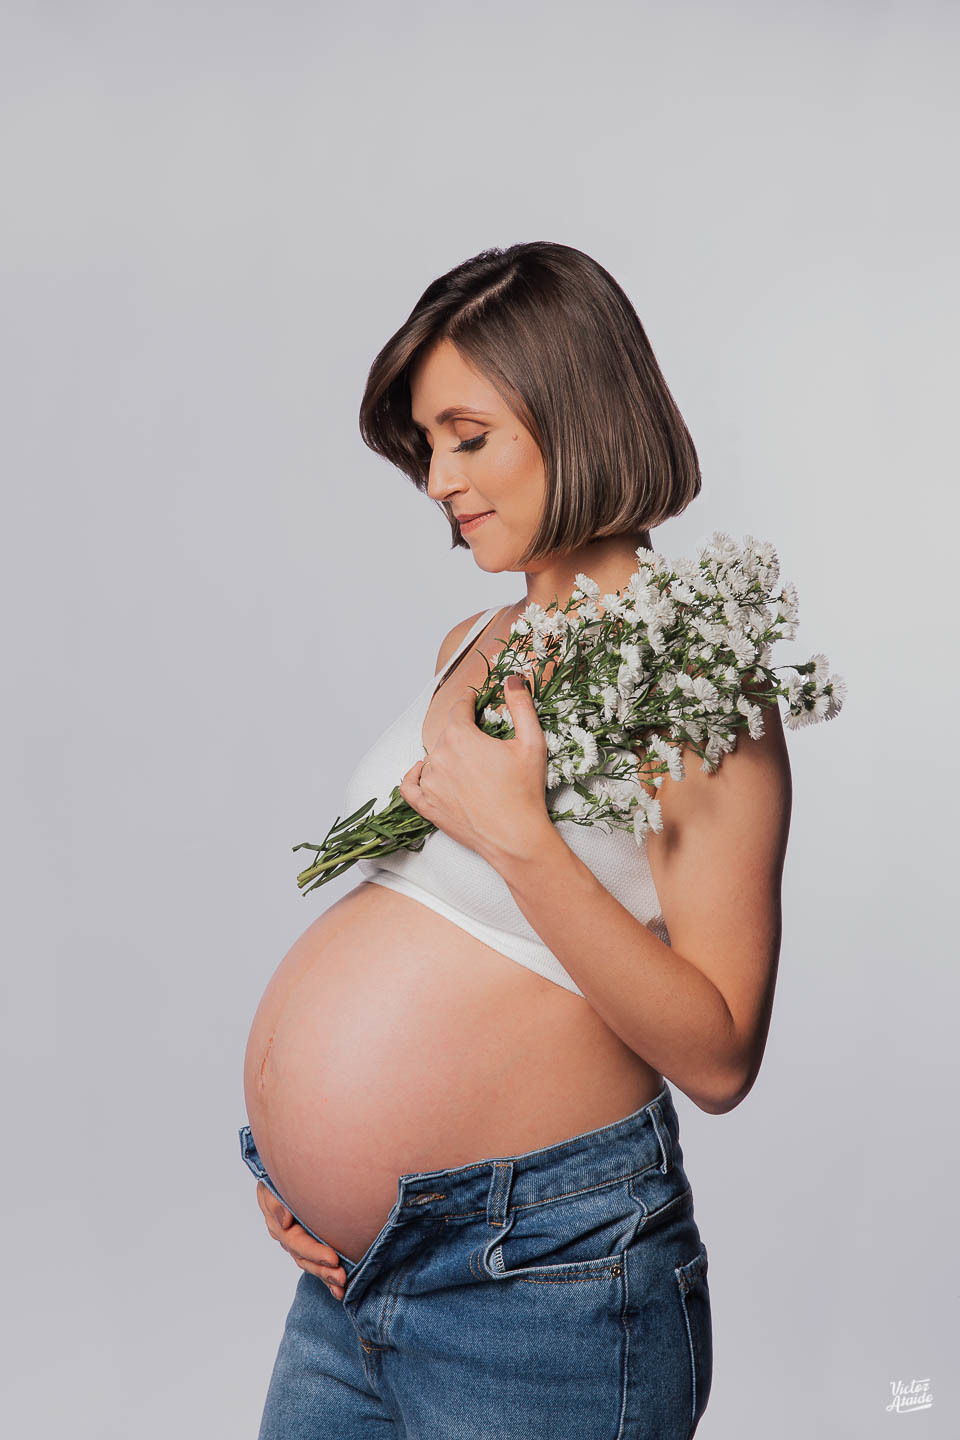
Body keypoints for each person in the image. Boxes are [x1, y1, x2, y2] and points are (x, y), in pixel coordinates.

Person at [239, 241, 792, 1438]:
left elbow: (722, 1055)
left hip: (539, 1290)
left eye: (468, 435)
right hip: (351, 1281)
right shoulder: (471, 639)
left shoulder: (701, 687)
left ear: (575, 413)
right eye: (426, 445)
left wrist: (524, 840)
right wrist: (304, 1173)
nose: (439, 478)